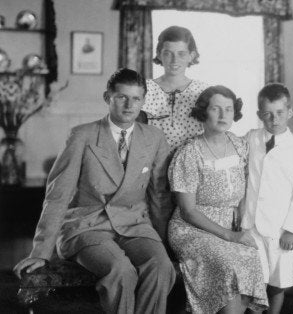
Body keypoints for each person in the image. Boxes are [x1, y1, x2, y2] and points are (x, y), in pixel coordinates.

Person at [13, 68, 176, 314]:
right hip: (86, 227)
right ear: (107, 98)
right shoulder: (82, 135)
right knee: (121, 271)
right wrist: (41, 251)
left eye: (136, 98)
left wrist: (163, 241)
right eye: (121, 97)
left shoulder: (154, 137)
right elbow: (58, 196)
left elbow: (159, 196)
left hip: (134, 225)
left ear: (143, 101)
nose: (129, 105)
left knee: (162, 267)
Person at [168, 86, 268, 313]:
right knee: (227, 263)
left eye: (228, 109)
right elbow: (188, 211)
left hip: (230, 225)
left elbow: (247, 190)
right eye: (216, 109)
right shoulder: (189, 153)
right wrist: (230, 236)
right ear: (204, 112)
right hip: (192, 229)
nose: (223, 115)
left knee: (251, 258)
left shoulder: (240, 145)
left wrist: (241, 226)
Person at [242, 83, 293, 314]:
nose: (274, 119)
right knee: (253, 281)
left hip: (281, 229)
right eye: (268, 114)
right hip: (250, 224)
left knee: (277, 283)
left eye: (280, 112)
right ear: (259, 115)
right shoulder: (250, 139)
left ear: (290, 112)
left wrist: (292, 229)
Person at [142, 25, 210, 150]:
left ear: (191, 55)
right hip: (153, 161)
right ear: (159, 54)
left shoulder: (203, 91)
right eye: (168, 54)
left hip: (191, 162)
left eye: (181, 54)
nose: (174, 60)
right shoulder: (145, 89)